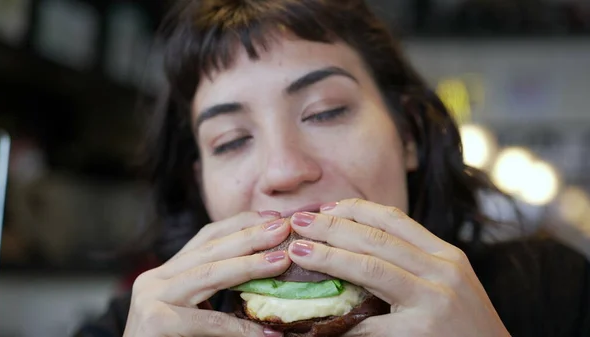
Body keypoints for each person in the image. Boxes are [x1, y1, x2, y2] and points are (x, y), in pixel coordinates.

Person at [75, 0, 590, 336]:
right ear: (200, 183)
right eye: (231, 141)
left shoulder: (552, 294)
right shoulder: (138, 326)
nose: (284, 170)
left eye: (325, 112)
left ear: (408, 134)